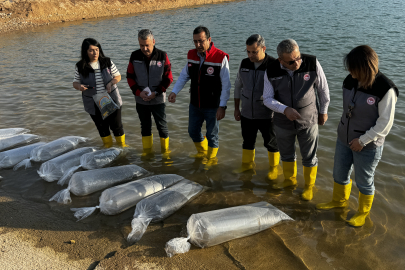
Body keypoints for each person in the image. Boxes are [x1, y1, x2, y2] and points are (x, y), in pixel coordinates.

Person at [316, 45, 398, 227]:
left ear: (365, 67)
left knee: (364, 181)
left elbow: (385, 124)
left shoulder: (385, 89)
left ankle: (362, 213)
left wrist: (362, 141)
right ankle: (338, 201)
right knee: (339, 174)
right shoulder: (350, 80)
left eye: (353, 69)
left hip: (367, 145)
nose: (350, 73)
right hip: (343, 139)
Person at [263, 39, 330, 200]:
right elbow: (267, 98)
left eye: (298, 57)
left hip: (309, 120)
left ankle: (309, 187)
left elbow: (323, 89)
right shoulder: (271, 70)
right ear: (280, 60)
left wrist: (323, 111)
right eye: (291, 62)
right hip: (282, 122)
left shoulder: (312, 63)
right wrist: (284, 109)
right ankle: (289, 181)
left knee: (309, 156)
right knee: (286, 155)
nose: (297, 63)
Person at [168, 26, 231, 166]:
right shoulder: (192, 55)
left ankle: (211, 160)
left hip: (213, 105)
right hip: (195, 104)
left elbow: (226, 85)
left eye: (201, 41)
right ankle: (202, 152)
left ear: (209, 39)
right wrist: (174, 91)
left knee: (212, 135)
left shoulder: (220, 57)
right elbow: (184, 75)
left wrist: (222, 106)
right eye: (195, 41)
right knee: (192, 131)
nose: (198, 45)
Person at [233, 34, 280, 179]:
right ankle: (247, 165)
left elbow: (280, 91)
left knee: (271, 143)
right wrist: (236, 108)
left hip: (267, 114)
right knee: (247, 141)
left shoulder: (274, 65)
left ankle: (274, 168)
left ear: (263, 48)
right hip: (247, 112)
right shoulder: (244, 63)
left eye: (254, 52)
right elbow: (237, 86)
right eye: (248, 51)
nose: (250, 55)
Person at [127, 29, 173, 156]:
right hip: (141, 100)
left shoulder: (162, 56)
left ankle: (166, 153)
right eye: (142, 45)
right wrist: (138, 92)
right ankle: (147, 154)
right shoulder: (134, 56)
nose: (145, 48)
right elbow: (130, 77)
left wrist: (156, 92)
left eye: (147, 45)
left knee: (162, 126)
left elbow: (168, 78)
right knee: (145, 127)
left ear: (153, 41)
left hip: (158, 99)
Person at [73, 38, 126, 148]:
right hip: (93, 102)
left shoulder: (107, 62)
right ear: (85, 51)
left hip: (111, 99)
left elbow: (118, 76)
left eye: (97, 49)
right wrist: (80, 87)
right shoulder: (80, 66)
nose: (95, 53)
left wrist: (111, 83)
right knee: (102, 128)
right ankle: (108, 148)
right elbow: (75, 83)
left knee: (117, 126)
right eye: (91, 50)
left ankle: (122, 147)